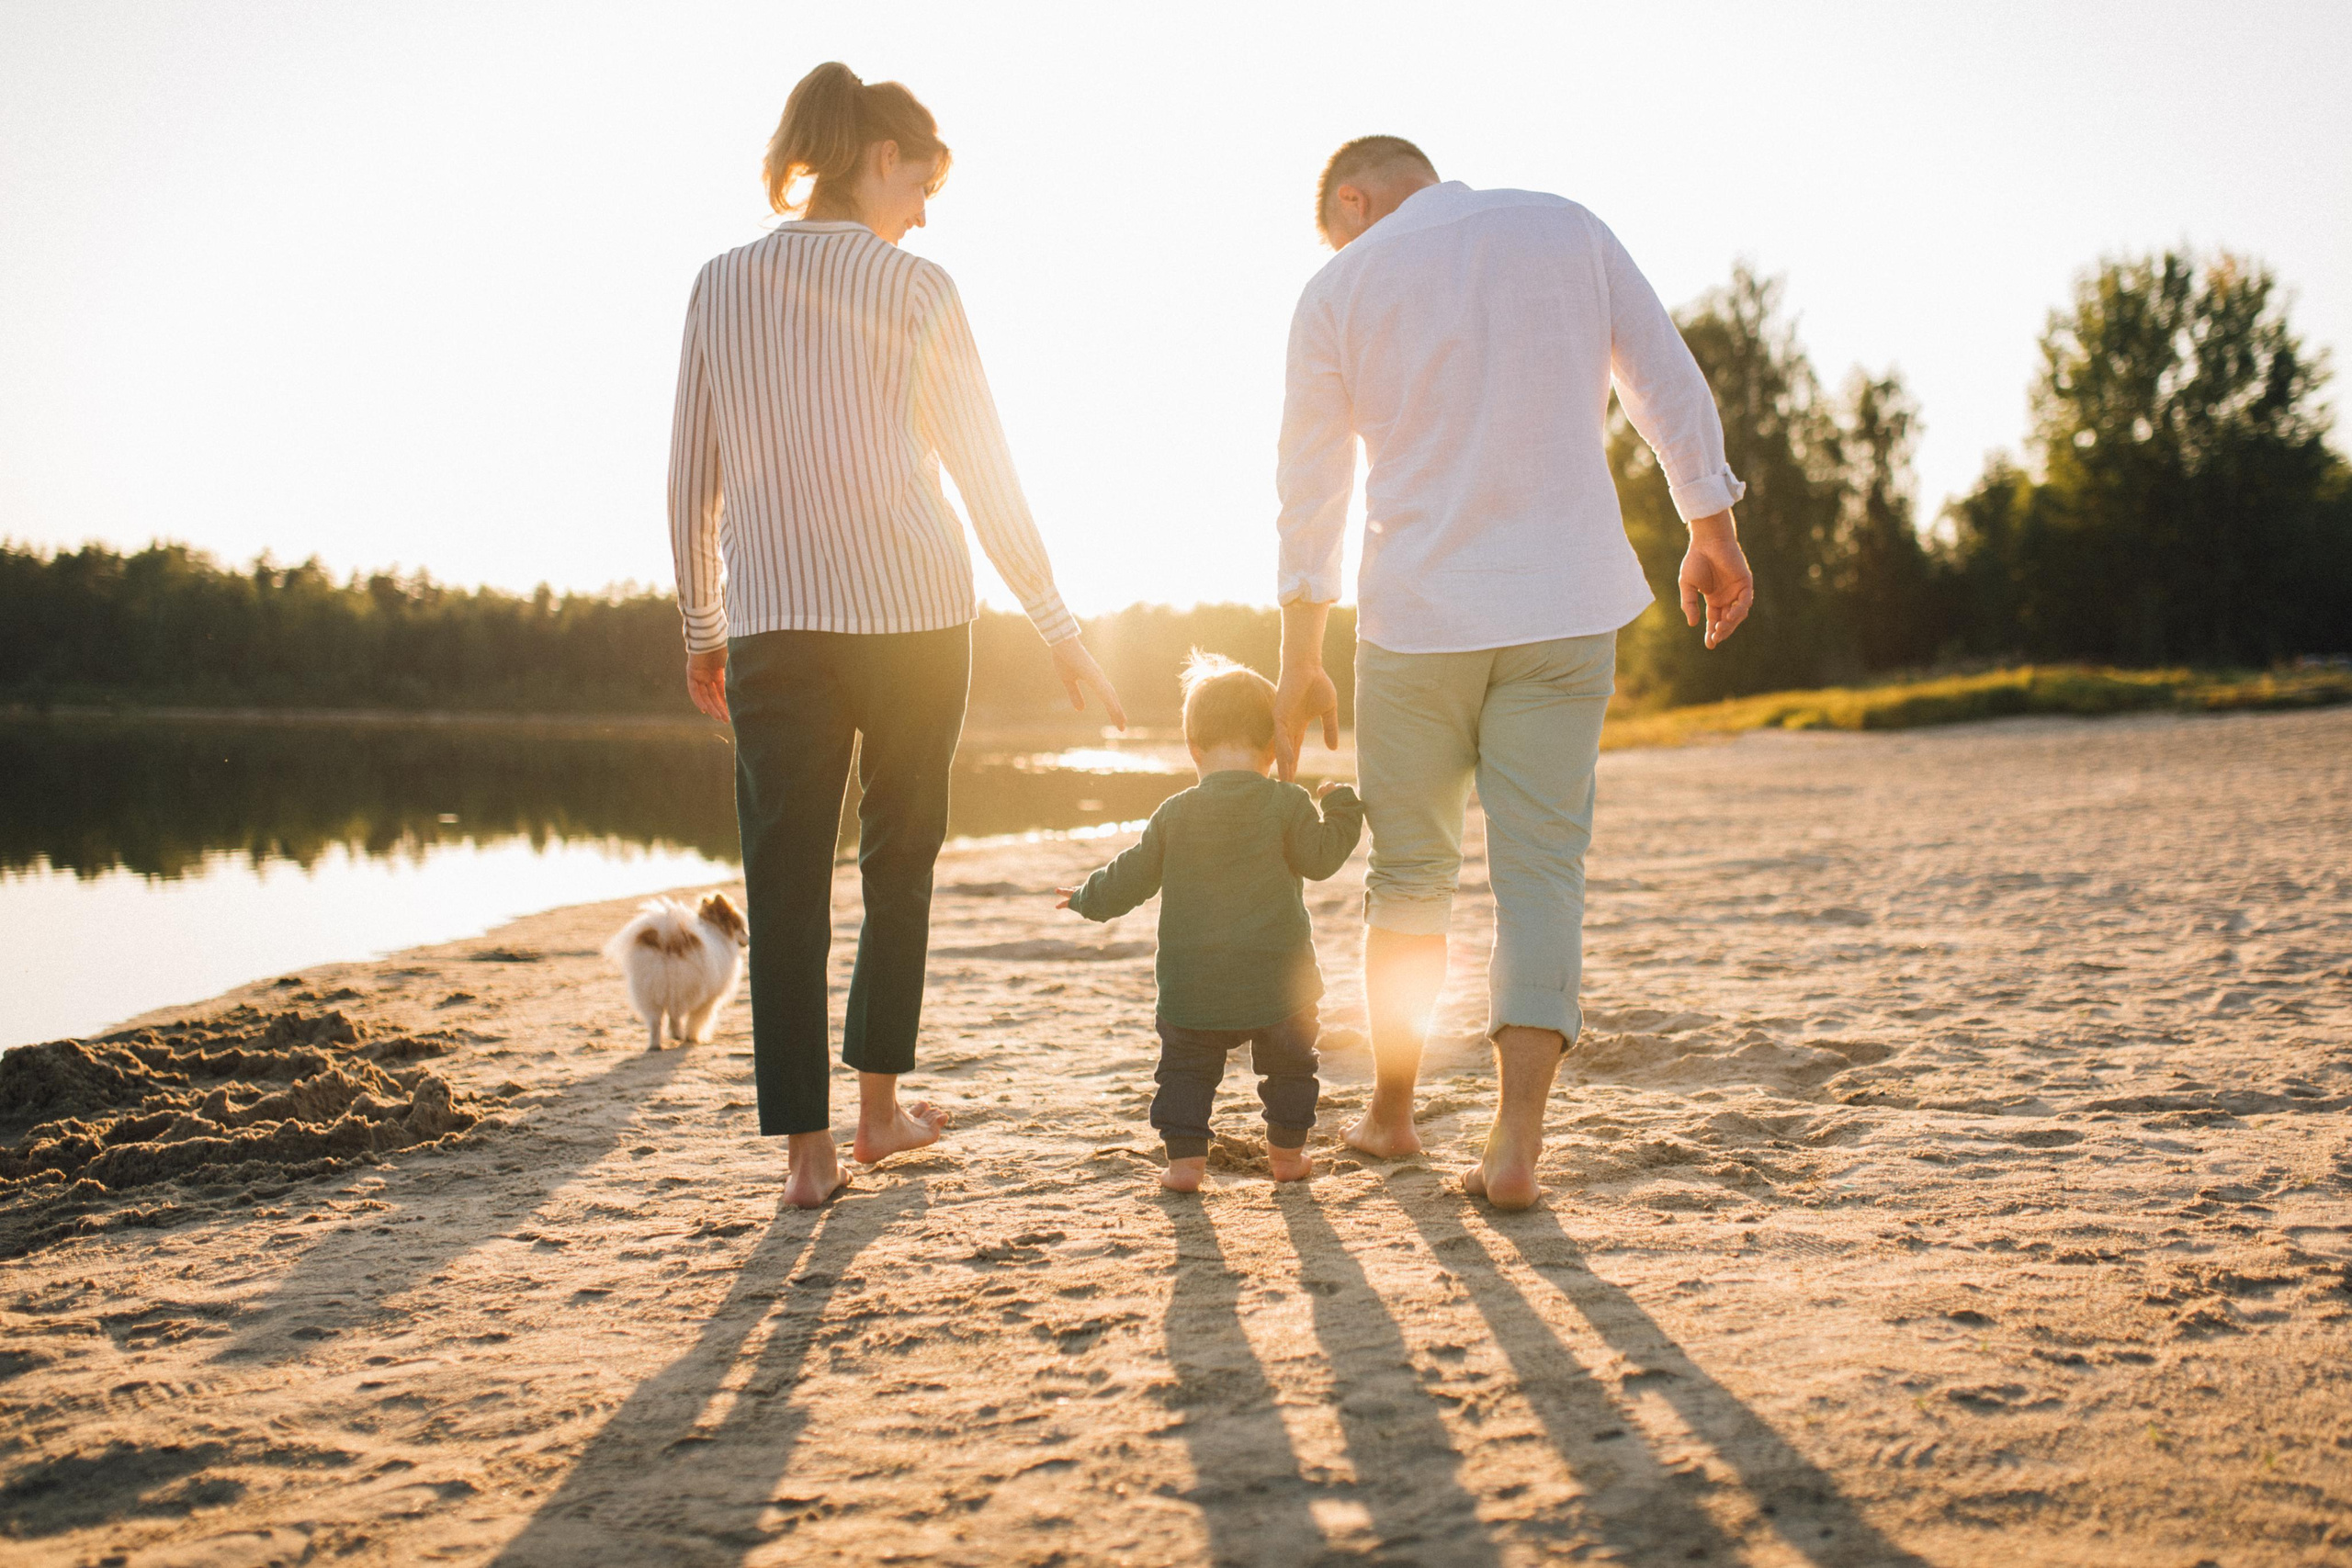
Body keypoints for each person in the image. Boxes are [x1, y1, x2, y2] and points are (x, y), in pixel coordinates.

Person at [668, 62, 1125, 1209]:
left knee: (781, 880)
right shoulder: (919, 288)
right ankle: (877, 1116)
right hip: (916, 614)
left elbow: (691, 479)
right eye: (922, 184)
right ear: (881, 160)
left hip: (772, 619)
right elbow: (983, 466)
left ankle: (808, 1155)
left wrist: (701, 624)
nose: (923, 213)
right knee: (898, 859)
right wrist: (1057, 623)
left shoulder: (718, 283)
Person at [1271, 136, 1755, 1211]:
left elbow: (1310, 485)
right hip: (1564, 605)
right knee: (1542, 871)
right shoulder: (1565, 225)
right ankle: (1514, 1142)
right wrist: (1707, 525)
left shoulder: (1337, 285)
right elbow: (1663, 377)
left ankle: (1391, 1116)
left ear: (1353, 199)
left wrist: (1300, 657)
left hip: (1416, 621)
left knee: (1410, 876)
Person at [1055, 654, 1364, 1192]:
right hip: (1279, 983)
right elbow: (1320, 860)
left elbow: (1130, 877)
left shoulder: (1174, 812)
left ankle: (1184, 1165)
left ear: (1193, 748)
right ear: (1275, 748)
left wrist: (1085, 896)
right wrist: (1341, 811)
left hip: (1193, 985)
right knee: (1291, 1069)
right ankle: (1288, 1157)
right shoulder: (1288, 802)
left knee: (1185, 1072)